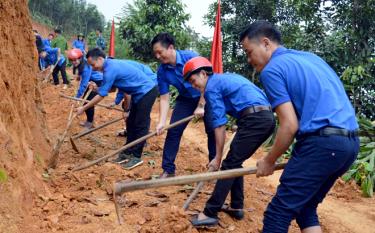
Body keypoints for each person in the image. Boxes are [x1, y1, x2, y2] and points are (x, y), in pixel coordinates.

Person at [239, 20, 359, 233]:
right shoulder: (310, 58)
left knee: (277, 214)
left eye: (249, 52)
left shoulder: (272, 70)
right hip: (349, 145)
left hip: (322, 144)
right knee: (305, 208)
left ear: (266, 43)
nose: (249, 60)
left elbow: (289, 125)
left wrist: (268, 161)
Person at [183, 57, 275, 228]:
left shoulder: (211, 87)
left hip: (255, 120)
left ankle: (209, 213)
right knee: (235, 162)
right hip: (265, 118)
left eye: (193, 81)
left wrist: (217, 158)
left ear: (203, 74)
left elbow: (219, 125)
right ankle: (236, 206)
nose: (193, 86)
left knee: (228, 164)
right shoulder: (224, 79)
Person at [77, 48, 158, 170]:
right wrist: (96, 88)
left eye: (93, 65)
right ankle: (126, 152)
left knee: (140, 124)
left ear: (100, 59)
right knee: (131, 122)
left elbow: (102, 95)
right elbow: (111, 89)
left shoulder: (110, 69)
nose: (93, 68)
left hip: (147, 91)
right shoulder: (108, 67)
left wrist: (84, 108)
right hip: (139, 93)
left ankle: (136, 156)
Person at [151, 32, 216, 178]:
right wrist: (161, 122)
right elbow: (164, 97)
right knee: (173, 130)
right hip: (185, 99)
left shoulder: (191, 58)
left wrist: (201, 105)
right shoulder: (162, 71)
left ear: (171, 47)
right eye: (155, 53)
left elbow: (209, 83)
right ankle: (168, 170)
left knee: (212, 130)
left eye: (160, 52)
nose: (158, 56)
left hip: (207, 96)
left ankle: (214, 168)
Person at [67, 48, 103, 129]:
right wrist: (79, 76)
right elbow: (82, 77)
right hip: (91, 80)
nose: (73, 62)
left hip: (97, 82)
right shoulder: (81, 65)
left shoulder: (86, 67)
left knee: (87, 102)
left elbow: (83, 85)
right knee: (85, 101)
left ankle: (90, 123)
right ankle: (89, 121)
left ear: (80, 58)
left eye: (75, 60)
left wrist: (77, 97)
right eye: (71, 60)